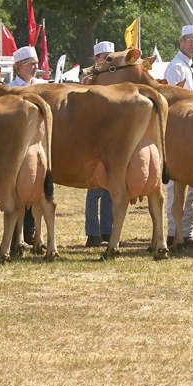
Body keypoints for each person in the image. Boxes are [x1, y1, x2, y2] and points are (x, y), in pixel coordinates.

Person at [8, 45, 51, 245]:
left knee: (37, 187)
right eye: (31, 64)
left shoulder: (43, 86)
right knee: (19, 191)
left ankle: (32, 233)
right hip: (18, 146)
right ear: (19, 66)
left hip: (39, 143)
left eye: (36, 63)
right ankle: (16, 235)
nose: (35, 67)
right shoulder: (11, 88)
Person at [162, 27, 193, 244]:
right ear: (181, 41)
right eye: (190, 41)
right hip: (178, 129)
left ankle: (186, 229)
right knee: (175, 185)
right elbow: (172, 98)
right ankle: (174, 230)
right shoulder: (177, 67)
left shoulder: (189, 65)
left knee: (188, 184)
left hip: (188, 129)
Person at [82, 41, 116, 247]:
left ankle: (107, 230)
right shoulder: (87, 75)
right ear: (96, 58)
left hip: (111, 135)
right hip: (93, 136)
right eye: (106, 57)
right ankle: (93, 233)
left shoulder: (115, 75)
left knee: (110, 188)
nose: (109, 61)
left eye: (111, 57)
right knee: (94, 188)